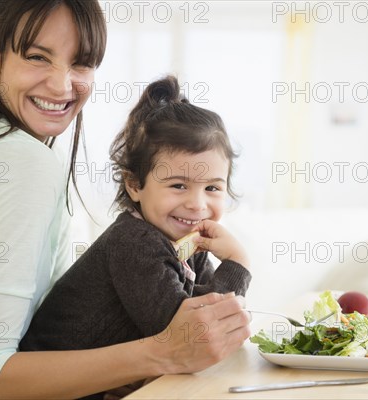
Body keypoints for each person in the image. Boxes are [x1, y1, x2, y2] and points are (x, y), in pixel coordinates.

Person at [0, 1, 251, 399]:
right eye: (37, 57)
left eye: (81, 63)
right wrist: (160, 354)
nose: (61, 85)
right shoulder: (20, 161)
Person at [19, 76, 252, 400]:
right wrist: (237, 263)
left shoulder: (187, 241)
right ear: (135, 185)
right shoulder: (134, 243)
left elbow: (211, 315)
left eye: (212, 188)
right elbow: (192, 333)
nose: (198, 204)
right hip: (48, 388)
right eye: (178, 185)